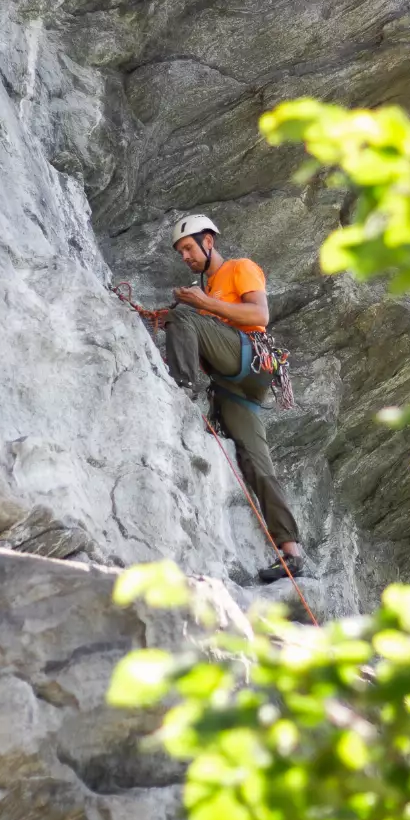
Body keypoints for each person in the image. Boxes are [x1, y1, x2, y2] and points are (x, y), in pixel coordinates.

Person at [164, 213, 305, 584]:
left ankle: (180, 388)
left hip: (249, 357)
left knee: (183, 316)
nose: (185, 256)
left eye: (189, 248)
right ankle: (291, 551)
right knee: (256, 461)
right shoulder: (208, 290)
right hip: (234, 384)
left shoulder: (240, 268)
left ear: (208, 241)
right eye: (181, 252)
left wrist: (201, 306)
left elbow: (259, 314)